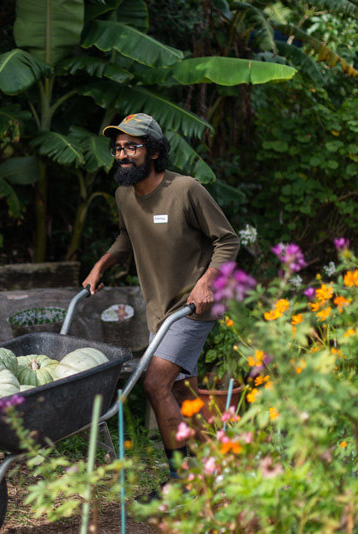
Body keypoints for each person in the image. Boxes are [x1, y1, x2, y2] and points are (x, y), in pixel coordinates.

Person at [82, 113, 239, 481]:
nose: (123, 155)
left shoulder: (185, 190)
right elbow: (127, 236)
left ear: (153, 152)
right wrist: (102, 264)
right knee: (186, 394)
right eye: (118, 148)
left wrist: (207, 282)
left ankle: (182, 480)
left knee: (155, 383)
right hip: (159, 311)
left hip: (190, 309)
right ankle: (214, 470)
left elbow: (227, 240)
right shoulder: (124, 195)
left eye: (132, 147)